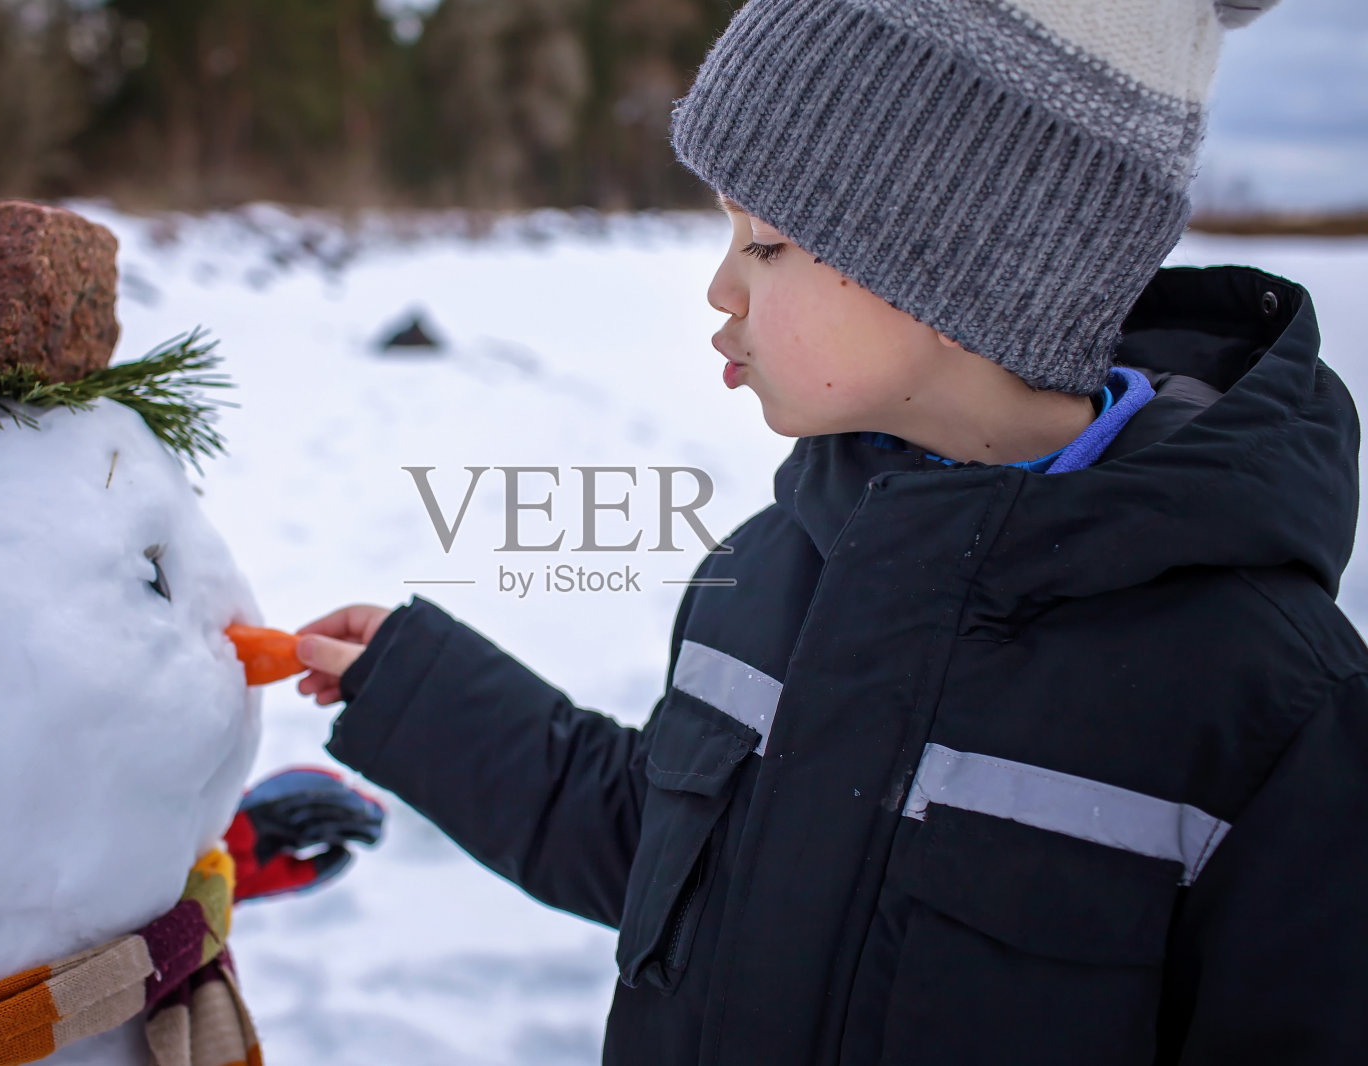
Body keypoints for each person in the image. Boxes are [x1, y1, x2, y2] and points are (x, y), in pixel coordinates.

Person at [292, 0, 1368, 1062]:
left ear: (967, 258)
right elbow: (675, 851)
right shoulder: (774, 564)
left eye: (765, 241)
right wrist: (420, 693)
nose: (719, 289)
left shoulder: (1264, 710)